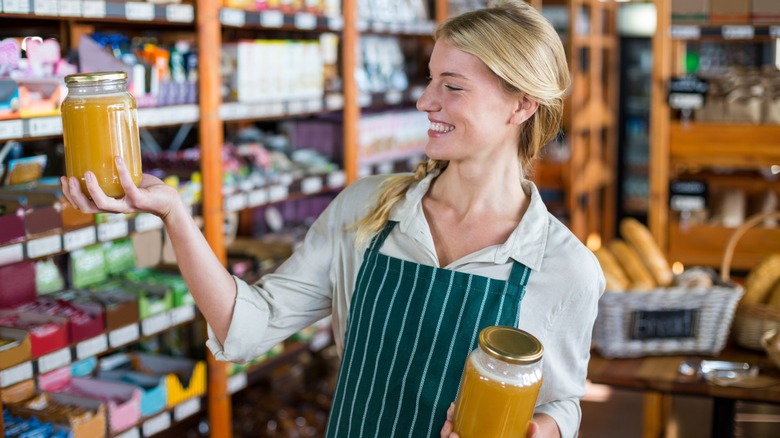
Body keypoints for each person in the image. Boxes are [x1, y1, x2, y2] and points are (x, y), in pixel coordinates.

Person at [61, 1, 604, 437]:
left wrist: (546, 428)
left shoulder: (563, 267)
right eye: (430, 78)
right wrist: (174, 214)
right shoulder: (368, 211)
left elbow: (561, 399)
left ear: (521, 105)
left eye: (452, 86)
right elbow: (245, 325)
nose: (424, 100)